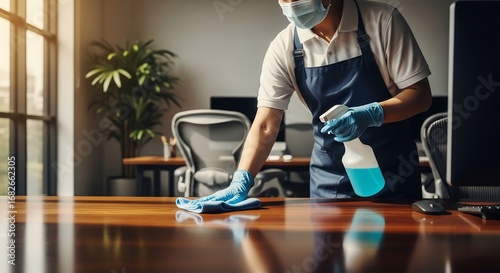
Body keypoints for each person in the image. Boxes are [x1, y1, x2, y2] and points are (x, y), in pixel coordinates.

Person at [196, 0, 432, 203]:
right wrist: (242, 179)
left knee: (395, 252)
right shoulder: (284, 47)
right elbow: (267, 124)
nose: (290, 4)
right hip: (330, 180)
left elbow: (420, 96)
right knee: (327, 254)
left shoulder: (383, 21)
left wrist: (371, 114)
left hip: (395, 172)